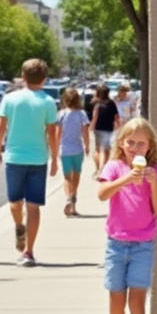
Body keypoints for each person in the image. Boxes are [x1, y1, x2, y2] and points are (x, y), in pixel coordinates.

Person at [97, 117, 157, 314]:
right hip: (116, 243)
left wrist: (153, 184)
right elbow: (102, 194)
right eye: (130, 143)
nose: (135, 148)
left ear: (150, 146)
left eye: (141, 144)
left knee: (137, 300)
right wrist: (126, 179)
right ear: (121, 143)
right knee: (116, 297)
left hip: (143, 244)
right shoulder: (115, 167)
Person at [0, 59, 58, 267]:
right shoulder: (48, 101)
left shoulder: (10, 99)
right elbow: (52, 133)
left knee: (21, 203)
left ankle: (26, 244)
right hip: (35, 159)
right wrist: (54, 158)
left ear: (23, 76)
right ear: (44, 79)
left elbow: (0, 127)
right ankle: (24, 240)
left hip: (17, 158)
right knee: (26, 205)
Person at [57, 87, 90, 217]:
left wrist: (55, 148)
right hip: (77, 149)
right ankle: (73, 205)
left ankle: (68, 199)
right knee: (76, 176)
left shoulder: (61, 114)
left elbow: (58, 133)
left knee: (67, 178)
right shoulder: (82, 114)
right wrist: (87, 145)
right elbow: (85, 132)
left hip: (65, 150)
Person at [90, 84, 118, 177]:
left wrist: (91, 127)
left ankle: (98, 169)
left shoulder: (96, 103)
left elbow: (94, 117)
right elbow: (116, 116)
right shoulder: (111, 103)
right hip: (108, 129)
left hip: (98, 129)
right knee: (105, 150)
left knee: (98, 149)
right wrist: (118, 126)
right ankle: (102, 170)